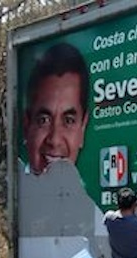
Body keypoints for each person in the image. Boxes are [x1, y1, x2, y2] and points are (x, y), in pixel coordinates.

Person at [23, 42, 89, 175]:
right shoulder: (17, 192)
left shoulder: (91, 196)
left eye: (69, 120)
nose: (54, 140)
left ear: (83, 127)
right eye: (44, 120)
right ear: (26, 126)